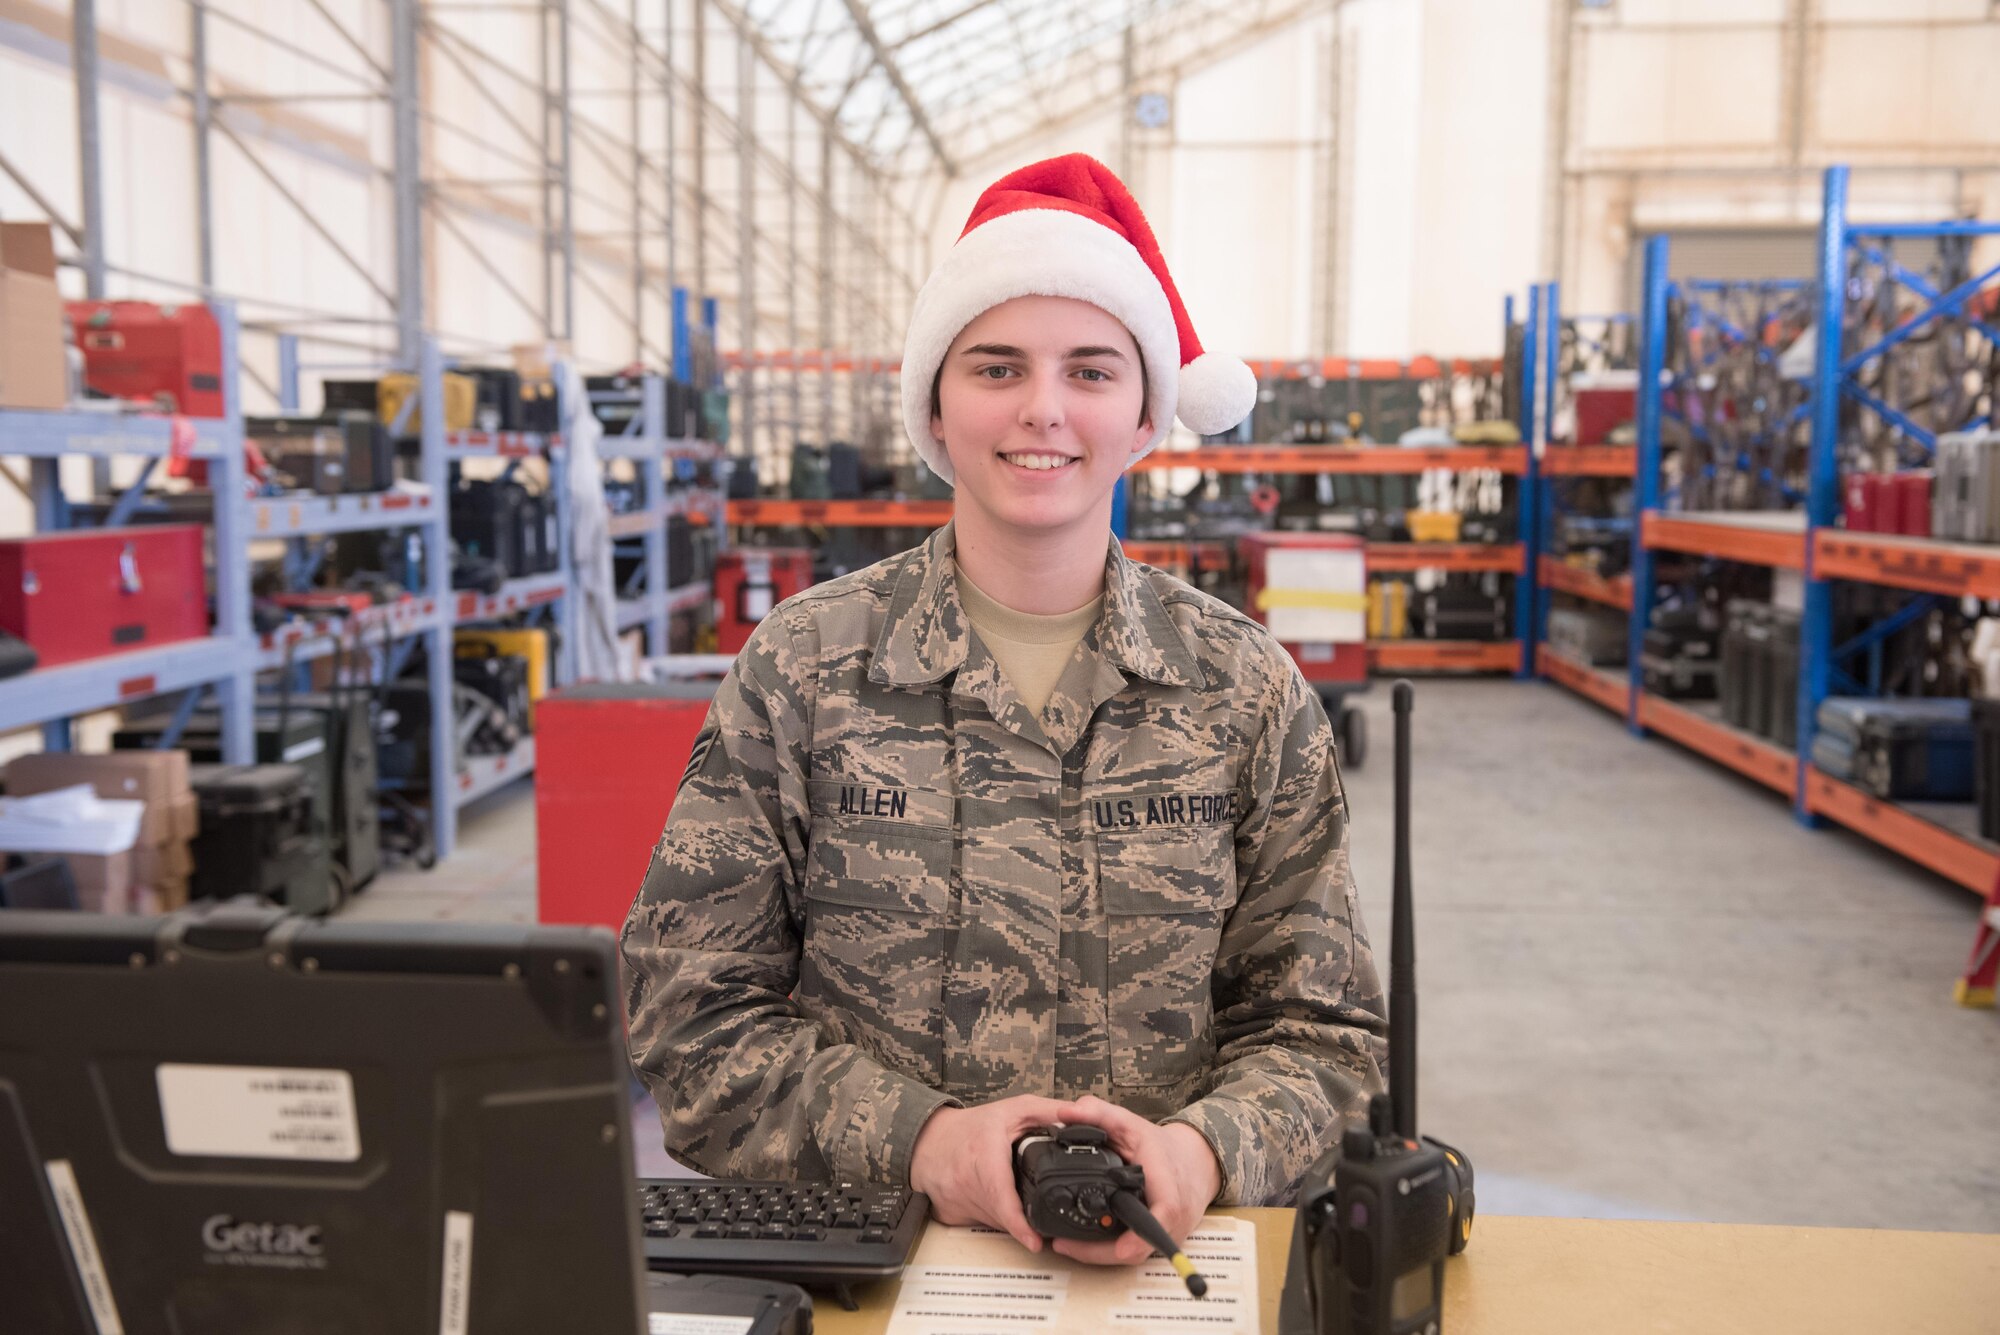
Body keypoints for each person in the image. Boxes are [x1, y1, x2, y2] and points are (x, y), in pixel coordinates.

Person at [622, 153, 1386, 1268]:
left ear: (1143, 415)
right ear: (935, 404)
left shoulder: (1242, 691)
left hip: (1163, 1273)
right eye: (995, 367)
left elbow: (1327, 1037)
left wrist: (1200, 1156)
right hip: (876, 1266)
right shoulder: (806, 672)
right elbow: (687, 1019)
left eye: (1089, 370)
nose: (1042, 410)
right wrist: (927, 1146)